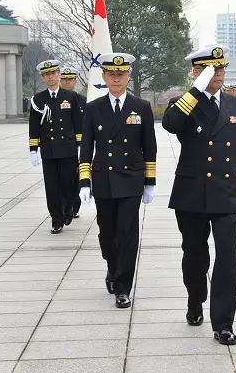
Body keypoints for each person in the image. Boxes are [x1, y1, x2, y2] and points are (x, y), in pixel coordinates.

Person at [162, 45, 236, 346]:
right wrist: (195, 90)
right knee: (194, 254)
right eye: (211, 70)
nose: (219, 74)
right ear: (197, 72)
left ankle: (224, 322)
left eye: (221, 68)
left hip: (227, 193)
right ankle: (195, 299)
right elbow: (170, 124)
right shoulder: (184, 103)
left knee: (228, 256)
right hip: (192, 192)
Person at [78, 53, 157, 309]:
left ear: (128, 76)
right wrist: (84, 181)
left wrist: (150, 182)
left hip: (131, 178)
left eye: (121, 74)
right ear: (103, 77)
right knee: (107, 234)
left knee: (128, 233)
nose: (116, 79)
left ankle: (123, 287)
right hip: (103, 178)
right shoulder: (93, 108)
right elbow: (86, 148)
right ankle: (113, 268)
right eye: (111, 74)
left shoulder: (141, 107)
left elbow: (150, 147)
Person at [29, 60, 83, 234]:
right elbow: (34, 126)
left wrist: (81, 146)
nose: (50, 77)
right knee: (52, 187)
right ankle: (56, 220)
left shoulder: (71, 97)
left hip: (68, 149)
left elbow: (78, 124)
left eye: (53, 73)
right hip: (49, 149)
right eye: (46, 74)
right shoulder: (38, 99)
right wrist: (33, 150)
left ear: (59, 74)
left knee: (69, 184)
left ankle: (68, 209)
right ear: (43, 78)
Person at [59, 66, 85, 219]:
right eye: (64, 79)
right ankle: (63, 206)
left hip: (80, 147)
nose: (67, 82)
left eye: (70, 79)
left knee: (78, 177)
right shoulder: (54, 101)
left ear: (75, 81)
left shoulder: (83, 101)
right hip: (64, 147)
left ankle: (74, 206)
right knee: (63, 179)